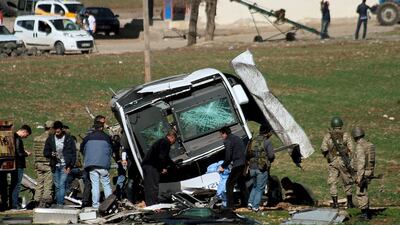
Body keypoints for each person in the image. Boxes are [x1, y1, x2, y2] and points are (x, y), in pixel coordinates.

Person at [321, 116, 355, 208]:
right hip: (343, 161)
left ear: (332, 125)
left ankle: (335, 203)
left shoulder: (328, 136)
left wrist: (329, 153)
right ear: (341, 125)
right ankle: (350, 203)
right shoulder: (346, 135)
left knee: (332, 181)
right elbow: (352, 149)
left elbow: (323, 148)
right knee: (347, 181)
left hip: (333, 161)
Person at [81, 121, 113, 208]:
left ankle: (95, 205)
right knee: (106, 184)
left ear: (94, 127)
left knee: (95, 185)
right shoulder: (107, 137)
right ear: (102, 127)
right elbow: (111, 149)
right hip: (104, 164)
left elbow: (82, 148)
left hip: (91, 164)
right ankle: (109, 204)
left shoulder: (88, 137)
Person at [43, 121, 76, 206]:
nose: (57, 130)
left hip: (65, 165)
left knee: (61, 184)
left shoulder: (69, 139)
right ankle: (59, 202)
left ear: (61, 129)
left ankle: (60, 203)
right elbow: (45, 152)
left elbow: (73, 153)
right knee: (57, 185)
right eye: (55, 129)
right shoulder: (50, 139)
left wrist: (70, 166)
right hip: (55, 165)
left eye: (58, 129)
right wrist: (51, 154)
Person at [141, 130, 177, 206]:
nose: (174, 142)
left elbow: (166, 157)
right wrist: (162, 168)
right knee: (153, 186)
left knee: (148, 185)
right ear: (172, 137)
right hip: (152, 166)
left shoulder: (161, 141)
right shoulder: (166, 143)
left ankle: (150, 203)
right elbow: (162, 157)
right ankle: (153, 204)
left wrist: (172, 164)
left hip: (146, 165)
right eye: (175, 140)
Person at [218, 126, 248, 209]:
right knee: (241, 183)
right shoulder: (237, 138)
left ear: (225, 133)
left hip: (237, 164)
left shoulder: (227, 141)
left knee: (229, 184)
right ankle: (246, 203)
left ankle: (230, 206)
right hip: (243, 163)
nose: (221, 137)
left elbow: (228, 157)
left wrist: (223, 166)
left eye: (221, 134)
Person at [247, 125, 275, 212]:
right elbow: (271, 156)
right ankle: (255, 206)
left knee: (254, 186)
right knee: (260, 188)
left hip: (252, 168)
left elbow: (246, 154)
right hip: (261, 168)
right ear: (267, 132)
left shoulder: (253, 141)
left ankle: (250, 203)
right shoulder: (267, 142)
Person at [352, 127, 375, 220]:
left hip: (363, 172)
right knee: (364, 191)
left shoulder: (359, 146)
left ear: (355, 136)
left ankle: (365, 214)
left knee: (361, 193)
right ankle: (366, 212)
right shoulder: (369, 144)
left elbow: (361, 162)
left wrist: (359, 176)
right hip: (369, 171)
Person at [10, 125, 32, 210]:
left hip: (13, 164)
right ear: (24, 131)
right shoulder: (18, 139)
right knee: (17, 185)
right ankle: (15, 205)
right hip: (18, 165)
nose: (26, 137)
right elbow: (19, 153)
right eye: (26, 135)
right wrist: (26, 154)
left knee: (13, 184)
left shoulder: (12, 137)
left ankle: (12, 203)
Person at [33, 121, 54, 208]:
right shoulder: (50, 139)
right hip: (47, 164)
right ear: (50, 128)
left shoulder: (37, 138)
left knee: (39, 184)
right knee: (48, 184)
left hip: (38, 163)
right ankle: (45, 201)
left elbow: (35, 152)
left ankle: (36, 200)